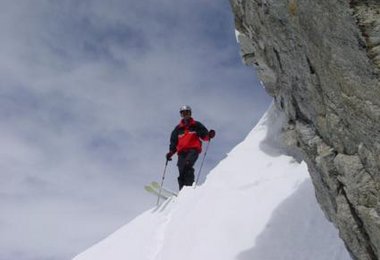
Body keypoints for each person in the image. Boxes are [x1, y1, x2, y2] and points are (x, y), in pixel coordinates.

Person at [166, 105, 215, 190]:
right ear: (181, 115)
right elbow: (174, 142)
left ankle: (189, 189)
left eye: (187, 113)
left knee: (187, 165)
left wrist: (209, 135)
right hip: (181, 152)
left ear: (190, 113)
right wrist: (170, 153)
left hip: (193, 150)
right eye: (183, 113)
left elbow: (204, 135)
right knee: (181, 170)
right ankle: (182, 190)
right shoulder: (178, 129)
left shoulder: (196, 125)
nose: (185, 115)